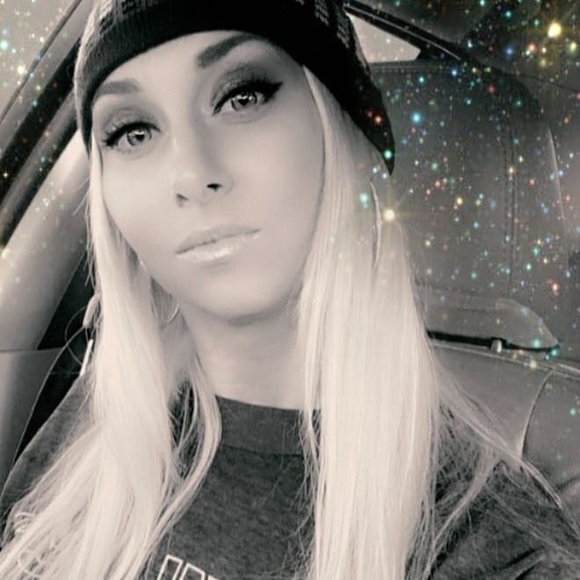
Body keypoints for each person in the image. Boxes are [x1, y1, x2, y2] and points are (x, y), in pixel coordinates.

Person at [0, 0, 579, 578]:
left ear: (344, 133)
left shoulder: (489, 540)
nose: (191, 174)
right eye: (132, 132)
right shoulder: (95, 419)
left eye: (242, 97)